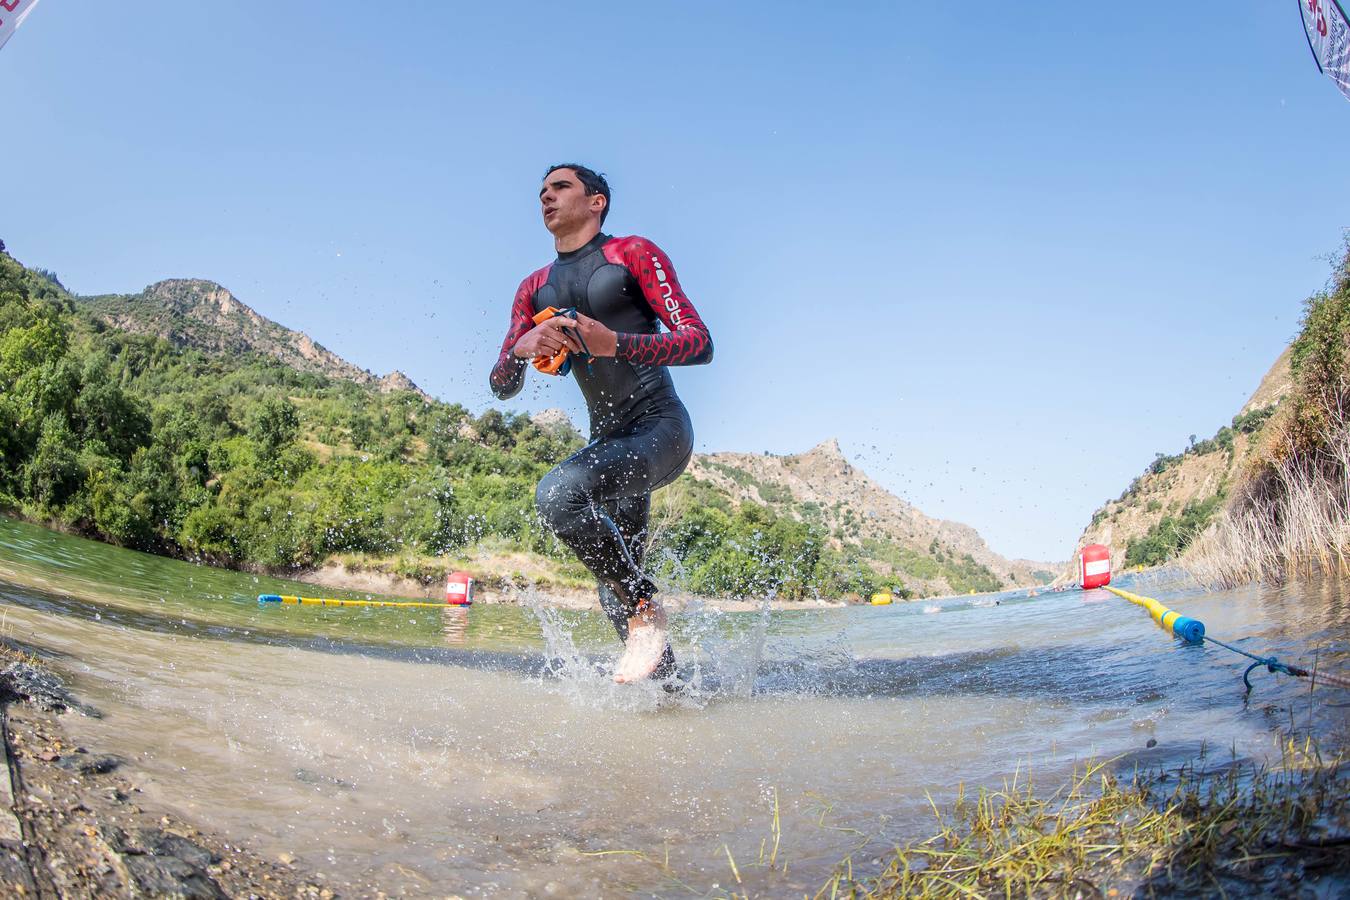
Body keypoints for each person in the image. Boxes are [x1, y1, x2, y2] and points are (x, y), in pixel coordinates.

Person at [489, 164, 714, 683]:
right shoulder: (534, 288)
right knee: (613, 587)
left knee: (556, 495)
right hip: (609, 443)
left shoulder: (633, 253)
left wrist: (617, 344)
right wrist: (521, 351)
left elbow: (699, 343)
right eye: (541, 191)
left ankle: (646, 607)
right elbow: (501, 384)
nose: (546, 196)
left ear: (596, 202)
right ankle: (674, 699)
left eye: (560, 187)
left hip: (659, 428)